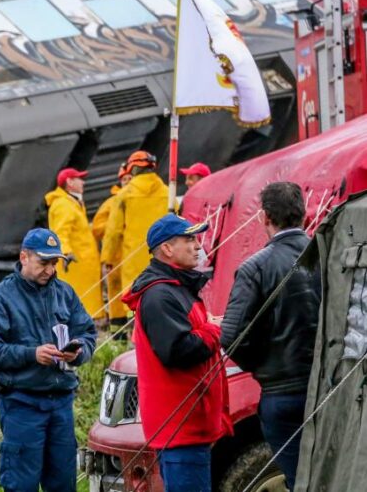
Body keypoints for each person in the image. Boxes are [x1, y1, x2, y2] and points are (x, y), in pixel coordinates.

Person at [0, 228, 97, 492]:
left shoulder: (65, 293)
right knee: (22, 484)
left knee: (64, 484)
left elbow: (88, 333)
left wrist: (78, 353)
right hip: (21, 405)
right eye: (44, 263)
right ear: (24, 257)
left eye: (54, 263)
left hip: (61, 405)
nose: (50, 270)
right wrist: (32, 354)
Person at [121, 214, 231, 492]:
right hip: (181, 427)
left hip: (189, 425)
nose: (198, 245)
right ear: (167, 249)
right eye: (189, 239)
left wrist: (207, 326)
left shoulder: (177, 289)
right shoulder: (160, 295)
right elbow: (179, 350)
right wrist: (214, 329)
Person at [221, 182, 319, 490]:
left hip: (281, 392)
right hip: (327, 387)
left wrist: (263, 366)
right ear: (304, 214)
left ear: (264, 217)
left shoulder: (255, 268)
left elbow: (232, 336)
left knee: (300, 480)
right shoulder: (329, 257)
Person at [101, 151, 170, 315]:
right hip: (164, 257)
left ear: (132, 168)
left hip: (133, 259)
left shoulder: (124, 195)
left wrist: (108, 259)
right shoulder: (168, 192)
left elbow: (113, 231)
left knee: (135, 300)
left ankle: (135, 328)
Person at [44, 167, 104, 319]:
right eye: (79, 179)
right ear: (70, 182)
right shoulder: (64, 205)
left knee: (82, 306)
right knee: (78, 306)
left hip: (81, 264)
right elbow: (60, 232)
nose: (83, 182)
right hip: (75, 264)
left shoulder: (72, 203)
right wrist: (66, 252)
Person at [92, 164, 132, 329]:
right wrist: (116, 224)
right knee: (116, 294)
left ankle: (132, 330)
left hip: (132, 255)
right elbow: (97, 228)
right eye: (124, 179)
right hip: (116, 258)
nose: (127, 182)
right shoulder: (111, 203)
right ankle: (118, 332)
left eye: (130, 178)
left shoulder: (139, 200)